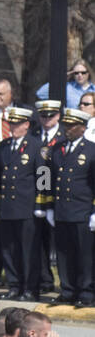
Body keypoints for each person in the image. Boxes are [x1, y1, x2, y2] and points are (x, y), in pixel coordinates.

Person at [0, 105, 43, 300]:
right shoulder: (4, 146)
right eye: (11, 123)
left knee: (28, 250)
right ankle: (14, 285)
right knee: (9, 249)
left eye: (17, 123)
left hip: (27, 207)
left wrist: (41, 204)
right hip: (7, 208)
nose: (13, 127)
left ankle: (30, 288)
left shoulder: (35, 146)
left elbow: (43, 175)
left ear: (26, 125)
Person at [49, 108, 95, 304]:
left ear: (83, 128)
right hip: (61, 210)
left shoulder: (91, 150)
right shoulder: (56, 149)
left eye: (71, 126)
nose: (67, 129)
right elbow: (45, 176)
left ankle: (86, 292)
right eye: (65, 125)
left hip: (82, 210)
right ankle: (67, 290)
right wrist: (47, 204)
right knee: (64, 253)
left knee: (84, 255)